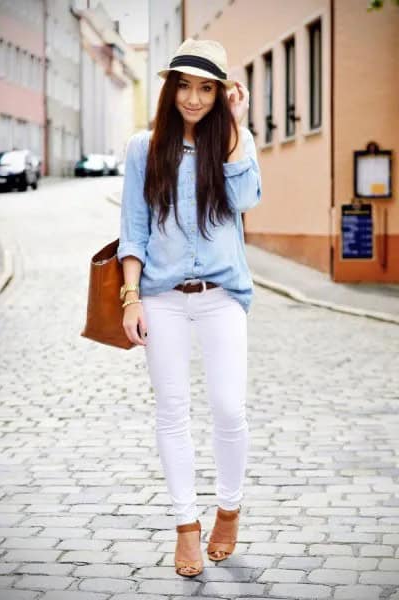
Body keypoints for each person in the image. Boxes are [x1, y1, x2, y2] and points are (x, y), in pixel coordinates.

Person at [117, 37, 262, 577]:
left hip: (223, 295)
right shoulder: (143, 148)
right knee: (172, 412)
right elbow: (132, 229)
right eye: (185, 85)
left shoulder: (231, 143)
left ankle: (228, 508)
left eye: (207, 88)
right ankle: (186, 525)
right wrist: (132, 297)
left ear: (221, 94)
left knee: (228, 408)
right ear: (170, 87)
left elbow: (246, 201)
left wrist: (239, 129)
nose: (194, 98)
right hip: (162, 298)